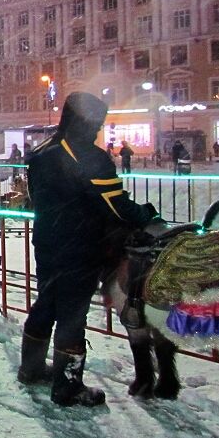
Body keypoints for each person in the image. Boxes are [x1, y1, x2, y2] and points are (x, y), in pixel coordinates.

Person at [17, 92, 157, 407]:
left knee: (46, 304)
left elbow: (35, 198)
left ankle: (31, 368)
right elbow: (117, 205)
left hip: (48, 243)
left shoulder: (42, 151)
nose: (97, 130)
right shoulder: (89, 157)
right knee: (72, 315)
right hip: (79, 248)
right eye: (96, 123)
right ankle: (67, 387)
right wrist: (146, 215)